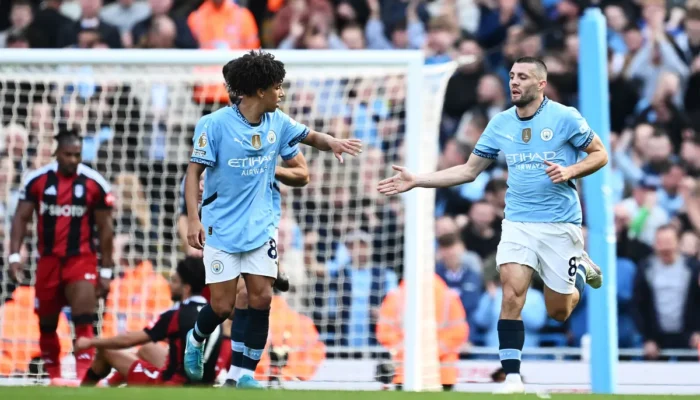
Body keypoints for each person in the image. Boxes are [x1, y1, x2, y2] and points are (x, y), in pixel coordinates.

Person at [377, 56, 608, 394]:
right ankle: (512, 378)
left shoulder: (565, 118)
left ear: (541, 84)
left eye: (524, 77)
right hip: (517, 222)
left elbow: (600, 154)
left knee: (559, 311)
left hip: (560, 223)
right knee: (511, 292)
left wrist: (570, 171)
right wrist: (418, 180)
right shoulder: (500, 123)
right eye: (512, 76)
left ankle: (579, 272)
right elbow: (468, 171)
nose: (515, 82)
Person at [184, 50, 362, 389]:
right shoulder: (214, 125)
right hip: (220, 226)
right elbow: (194, 174)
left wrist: (334, 143)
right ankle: (196, 337)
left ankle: (244, 373)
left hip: (262, 224)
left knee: (261, 297)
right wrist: (193, 219)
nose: (282, 93)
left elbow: (312, 138)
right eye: (277, 87)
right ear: (260, 90)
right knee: (221, 306)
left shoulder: (277, 122)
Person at [8, 130, 115, 382]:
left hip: (82, 260)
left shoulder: (94, 183)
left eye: (77, 155)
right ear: (57, 154)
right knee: (46, 323)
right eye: (68, 155)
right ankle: (54, 376)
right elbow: (20, 219)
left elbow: (106, 230)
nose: (73, 160)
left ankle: (81, 379)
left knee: (84, 320)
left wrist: (107, 271)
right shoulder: (36, 181)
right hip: (47, 261)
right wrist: (14, 255)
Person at [76, 257, 223, 386]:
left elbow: (128, 341)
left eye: (175, 281)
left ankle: (85, 393)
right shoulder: (215, 312)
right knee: (148, 348)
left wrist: (91, 342)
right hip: (203, 385)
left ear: (186, 288)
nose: (169, 285)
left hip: (172, 385)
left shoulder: (175, 315)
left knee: (105, 349)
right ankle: (113, 385)